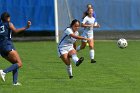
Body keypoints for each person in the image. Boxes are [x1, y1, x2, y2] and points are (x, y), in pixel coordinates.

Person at [0, 12, 31, 85]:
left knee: (15, 63)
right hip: (7, 45)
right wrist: (26, 27)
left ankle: (15, 82)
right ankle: (3, 72)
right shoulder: (9, 24)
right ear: (8, 18)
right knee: (19, 63)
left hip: (1, 48)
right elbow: (15, 31)